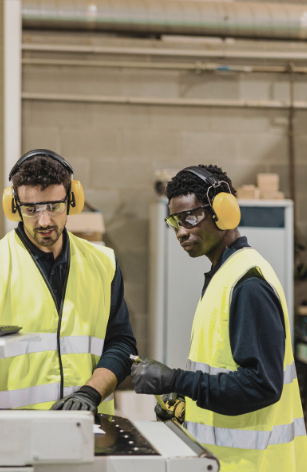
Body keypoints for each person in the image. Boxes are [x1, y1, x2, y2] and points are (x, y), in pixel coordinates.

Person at [131, 165, 306, 472]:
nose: (181, 232)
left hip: (256, 465)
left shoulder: (249, 284)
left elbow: (261, 386)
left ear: (223, 212)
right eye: (174, 222)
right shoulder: (223, 276)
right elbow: (225, 375)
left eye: (190, 218)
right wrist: (187, 408)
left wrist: (176, 380)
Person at [0, 149, 137, 413]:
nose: (44, 221)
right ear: (14, 207)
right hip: (12, 433)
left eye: (54, 207)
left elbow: (121, 343)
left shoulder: (104, 264)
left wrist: (91, 393)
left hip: (87, 428)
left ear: (72, 201)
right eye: (31, 209)